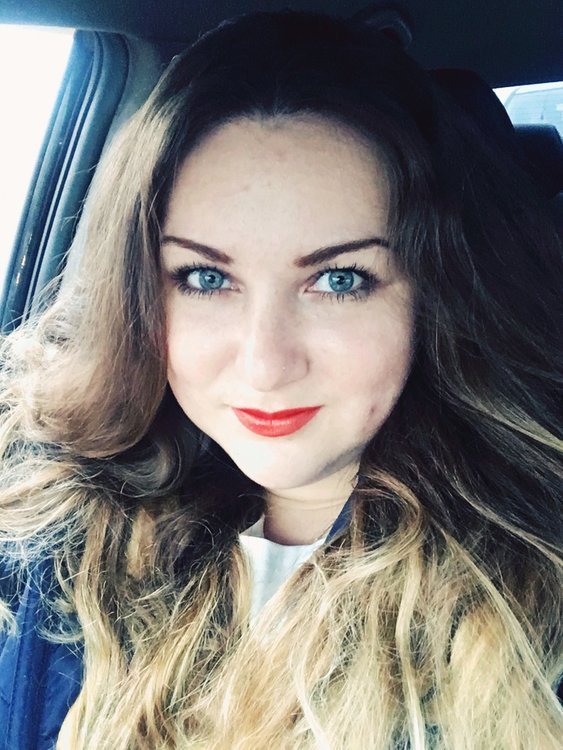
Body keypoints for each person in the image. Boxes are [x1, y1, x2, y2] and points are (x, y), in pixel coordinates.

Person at [0, 10, 561, 750]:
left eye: (340, 279)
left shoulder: (532, 588)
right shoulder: (49, 536)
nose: (264, 365)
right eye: (204, 278)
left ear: (439, 295)